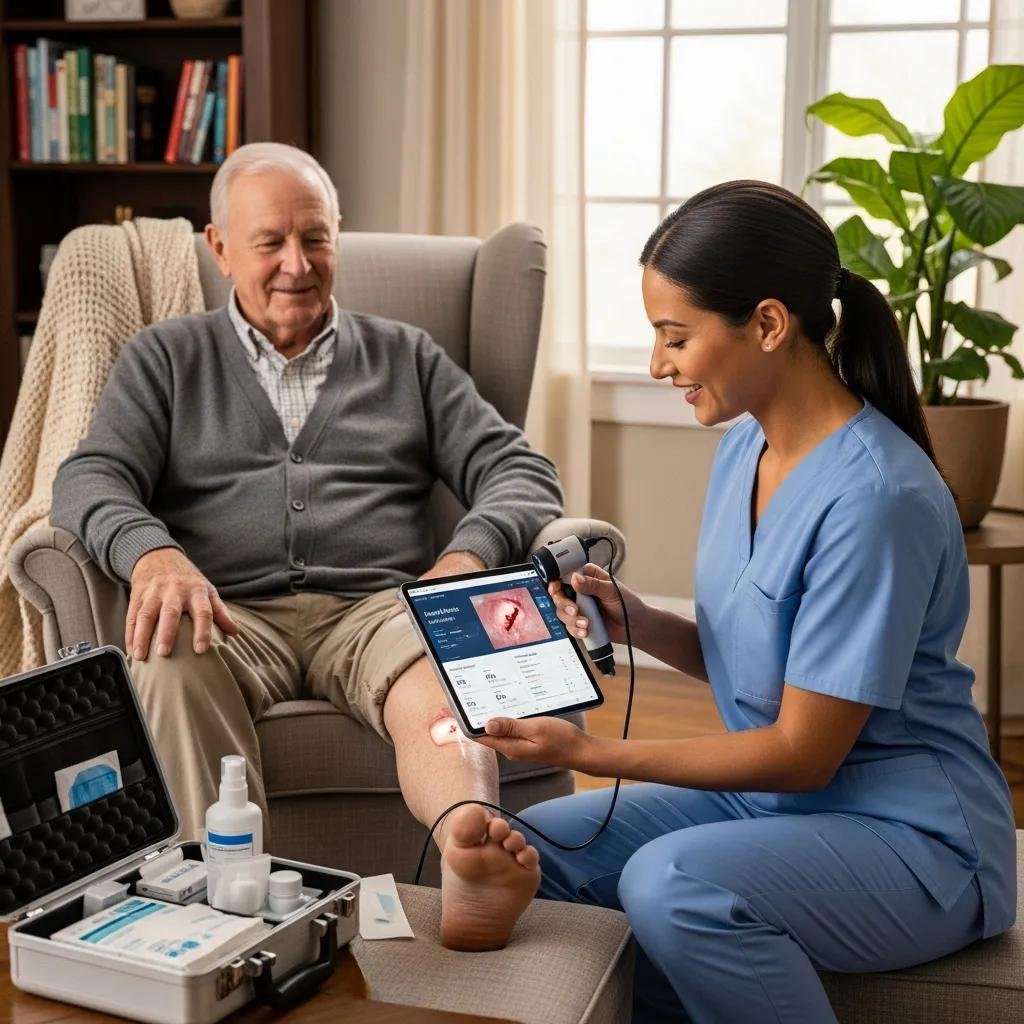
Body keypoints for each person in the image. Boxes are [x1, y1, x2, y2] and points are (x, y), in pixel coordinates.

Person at [476, 180, 1017, 1021]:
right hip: (777, 804)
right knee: (541, 844)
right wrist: (644, 626)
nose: (658, 364)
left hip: (918, 844)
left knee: (672, 881)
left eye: (675, 336)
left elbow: (803, 751)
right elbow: (768, 665)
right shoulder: (744, 450)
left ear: (767, 324)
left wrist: (593, 752)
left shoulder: (878, 500)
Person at [51, 142, 556, 952]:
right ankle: (212, 902)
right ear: (220, 248)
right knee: (164, 651)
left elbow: (519, 469)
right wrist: (152, 553)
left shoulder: (407, 357)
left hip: (375, 608)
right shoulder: (166, 357)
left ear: (337, 236)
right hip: (227, 610)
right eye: (270, 242)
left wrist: (469, 553)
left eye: (315, 238)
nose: (298, 263)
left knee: (438, 662)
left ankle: (470, 848)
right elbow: (89, 476)